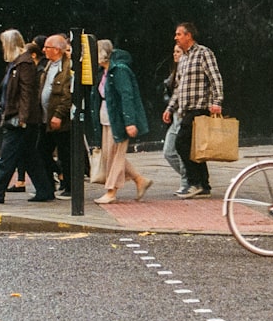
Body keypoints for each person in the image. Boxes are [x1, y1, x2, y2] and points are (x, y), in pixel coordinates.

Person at [0, 30, 56, 204]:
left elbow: (27, 93)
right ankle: (45, 190)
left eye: (3, 44)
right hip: (18, 117)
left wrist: (23, 118)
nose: (2, 48)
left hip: (20, 121)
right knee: (29, 156)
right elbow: (8, 94)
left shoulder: (24, 64)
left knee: (6, 159)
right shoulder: (16, 63)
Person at [162, 22, 224, 199]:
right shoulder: (183, 59)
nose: (176, 37)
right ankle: (203, 185)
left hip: (200, 107)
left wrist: (217, 101)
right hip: (184, 109)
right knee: (193, 148)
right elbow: (179, 88)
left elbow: (215, 78)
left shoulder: (204, 53)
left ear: (189, 35)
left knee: (181, 142)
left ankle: (194, 182)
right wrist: (170, 108)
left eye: (179, 34)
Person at [91, 40, 153, 203]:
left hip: (117, 119)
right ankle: (140, 180)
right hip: (106, 116)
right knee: (109, 154)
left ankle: (111, 191)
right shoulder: (103, 71)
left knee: (116, 155)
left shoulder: (119, 71)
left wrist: (129, 122)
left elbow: (127, 96)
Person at [38, 34, 73, 199]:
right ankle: (50, 184)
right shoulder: (49, 65)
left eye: (47, 47)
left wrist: (59, 114)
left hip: (60, 119)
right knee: (42, 151)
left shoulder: (68, 68)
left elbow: (67, 95)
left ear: (57, 49)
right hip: (46, 118)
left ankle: (70, 186)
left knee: (65, 153)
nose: (44, 50)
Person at [162, 44, 188, 195]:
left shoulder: (186, 70)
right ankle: (191, 177)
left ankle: (186, 182)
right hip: (175, 114)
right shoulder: (174, 72)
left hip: (184, 113)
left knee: (181, 149)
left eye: (178, 51)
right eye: (174, 52)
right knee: (168, 151)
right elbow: (171, 92)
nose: (175, 54)